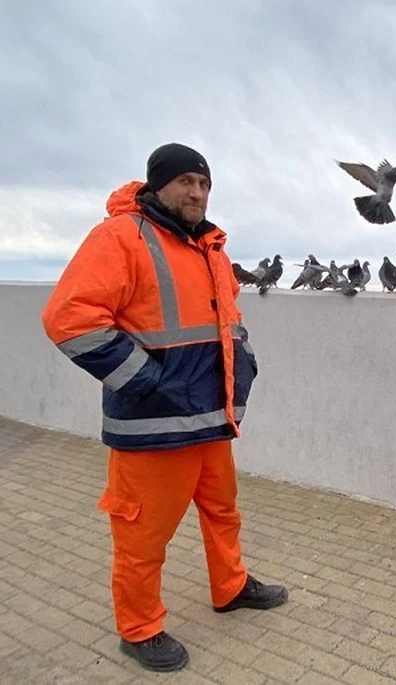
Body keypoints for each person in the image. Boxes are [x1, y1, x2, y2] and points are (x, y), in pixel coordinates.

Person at [40, 143, 288, 672]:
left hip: (211, 418)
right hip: (153, 426)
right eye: (186, 182)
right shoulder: (121, 237)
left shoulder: (210, 248)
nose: (197, 192)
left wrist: (244, 363)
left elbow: (226, 323)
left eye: (204, 183)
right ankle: (139, 627)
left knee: (224, 511)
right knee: (142, 533)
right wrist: (148, 380)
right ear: (159, 185)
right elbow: (70, 319)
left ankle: (231, 585)